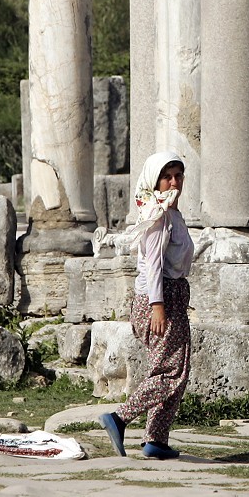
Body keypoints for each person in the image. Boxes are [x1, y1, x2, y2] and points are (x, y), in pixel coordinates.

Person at [99, 151, 195, 459]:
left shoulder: (172, 214)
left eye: (178, 175)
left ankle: (156, 440)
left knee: (170, 372)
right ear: (155, 181)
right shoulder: (157, 217)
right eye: (167, 177)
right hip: (159, 298)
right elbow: (153, 265)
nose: (173, 182)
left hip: (173, 296)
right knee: (171, 374)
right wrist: (157, 305)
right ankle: (119, 418)